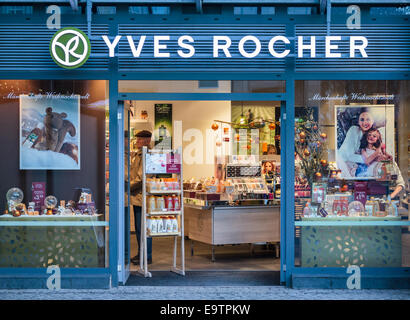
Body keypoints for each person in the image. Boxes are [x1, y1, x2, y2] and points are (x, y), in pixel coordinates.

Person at [125, 130, 153, 265]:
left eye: (139, 140)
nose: (136, 142)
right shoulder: (139, 154)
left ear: (147, 141)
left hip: (142, 197)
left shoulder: (146, 156)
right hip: (137, 196)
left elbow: (142, 178)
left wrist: (127, 187)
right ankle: (142, 254)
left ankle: (146, 255)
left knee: (143, 227)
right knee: (139, 227)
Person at [337, 108, 385, 178]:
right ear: (359, 122)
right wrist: (373, 158)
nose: (365, 123)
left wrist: (384, 156)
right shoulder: (354, 130)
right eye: (362, 120)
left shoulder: (371, 135)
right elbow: (349, 156)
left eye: (368, 119)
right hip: (343, 162)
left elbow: (378, 149)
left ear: (372, 121)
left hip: (355, 167)